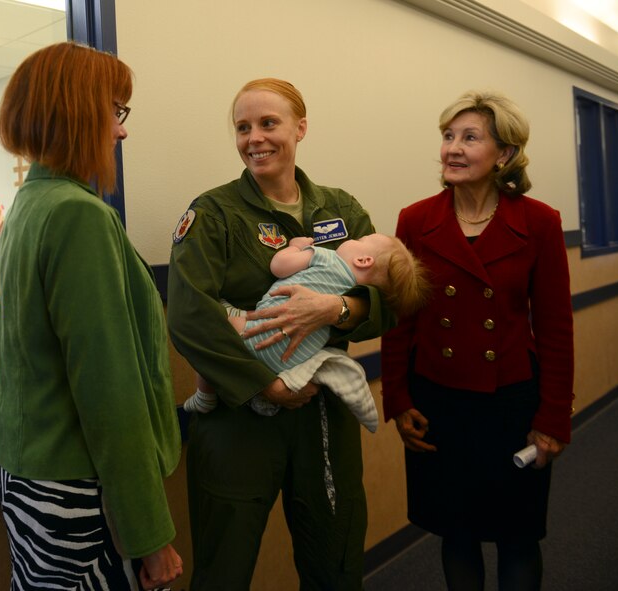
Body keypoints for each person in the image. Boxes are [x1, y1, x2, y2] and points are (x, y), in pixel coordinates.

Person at [167, 78, 397, 590]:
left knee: (335, 564)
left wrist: (333, 308)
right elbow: (188, 314)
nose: (255, 138)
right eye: (243, 127)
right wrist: (261, 384)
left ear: (301, 128)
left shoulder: (341, 210)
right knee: (223, 570)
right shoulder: (214, 213)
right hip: (237, 419)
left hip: (321, 413)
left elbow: (389, 303)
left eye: (269, 123)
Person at [0, 42, 183, 591]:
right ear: (75, 110)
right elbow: (109, 393)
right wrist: (149, 536)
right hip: (74, 483)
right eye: (114, 110)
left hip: (28, 476)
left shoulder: (28, 208)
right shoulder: (78, 215)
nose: (121, 131)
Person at [380, 90, 574, 590]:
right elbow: (401, 319)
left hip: (510, 403)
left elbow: (554, 328)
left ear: (503, 155)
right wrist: (398, 399)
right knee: (456, 534)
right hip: (439, 401)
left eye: (470, 138)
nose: (453, 149)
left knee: (517, 537)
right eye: (448, 137)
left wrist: (552, 418)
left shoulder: (540, 222)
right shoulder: (416, 219)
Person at [184, 233, 429, 424]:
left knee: (218, 325)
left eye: (360, 240)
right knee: (251, 319)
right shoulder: (353, 294)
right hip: (288, 362)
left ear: (363, 260)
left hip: (258, 338)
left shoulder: (326, 257)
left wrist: (295, 246)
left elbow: (278, 266)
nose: (352, 239)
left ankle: (205, 396)